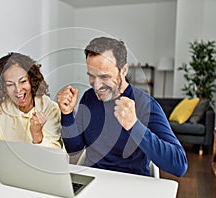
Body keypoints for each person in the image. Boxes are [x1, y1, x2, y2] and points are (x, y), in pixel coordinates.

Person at [57, 37, 188, 177]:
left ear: (124, 70)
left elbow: (179, 165)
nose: (96, 85)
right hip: (92, 180)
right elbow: (74, 148)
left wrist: (134, 126)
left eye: (104, 77)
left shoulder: (145, 105)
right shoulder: (89, 98)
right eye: (91, 76)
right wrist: (67, 114)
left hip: (130, 184)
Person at [0, 52, 62, 156]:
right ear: (3, 88)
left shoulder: (50, 108)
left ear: (32, 81)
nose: (18, 89)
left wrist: (37, 135)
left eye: (23, 81)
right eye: (10, 84)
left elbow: (55, 157)